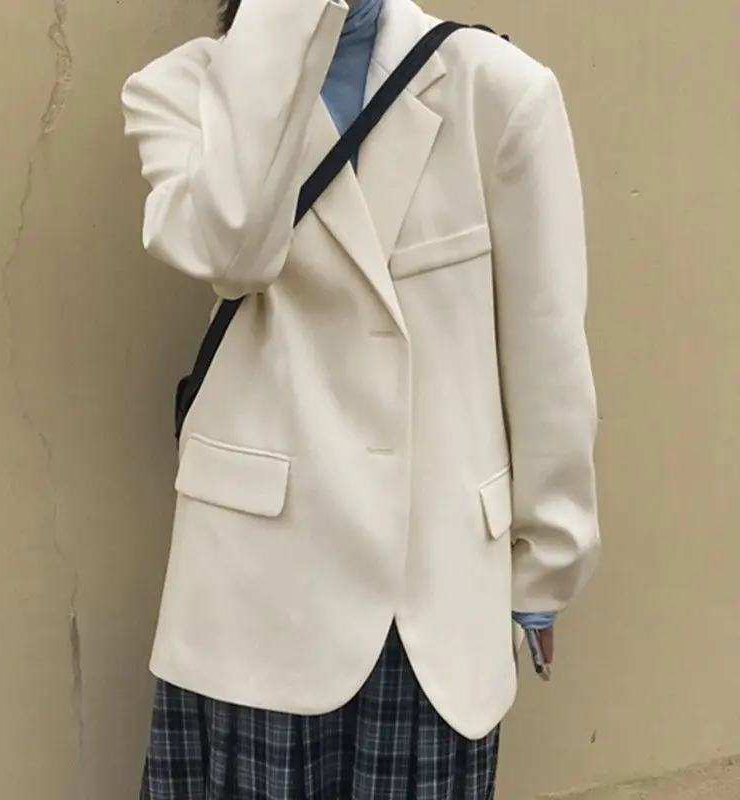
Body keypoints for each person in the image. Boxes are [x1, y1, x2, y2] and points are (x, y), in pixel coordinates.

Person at [121, 0, 600, 794]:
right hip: (256, 596)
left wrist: (547, 566)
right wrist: (283, 22)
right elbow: (234, 252)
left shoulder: (495, 88)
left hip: (432, 590)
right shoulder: (179, 90)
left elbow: (547, 352)